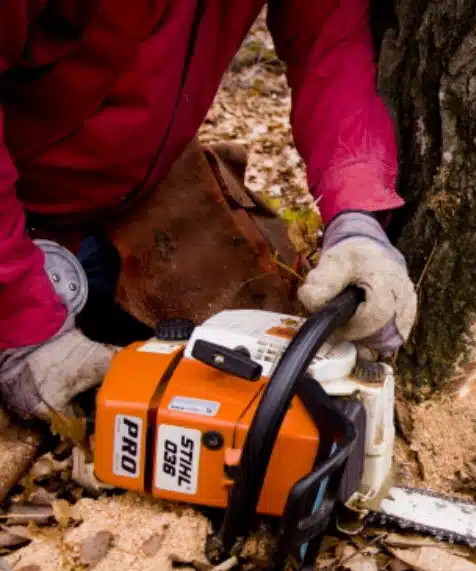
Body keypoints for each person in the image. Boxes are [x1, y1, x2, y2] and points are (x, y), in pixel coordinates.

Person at [0, 1, 417, 427]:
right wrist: (19, 315)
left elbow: (330, 47)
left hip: (139, 190)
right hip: (15, 202)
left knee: (264, 363)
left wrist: (356, 216)